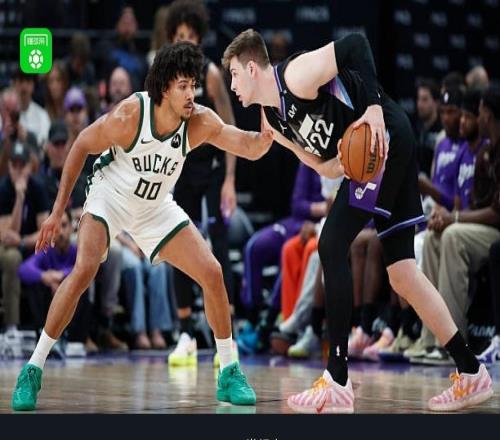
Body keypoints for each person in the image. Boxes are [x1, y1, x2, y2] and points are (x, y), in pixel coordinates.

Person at [223, 29, 493, 413]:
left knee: (331, 244)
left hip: (386, 137)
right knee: (403, 274)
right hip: (380, 151)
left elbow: (356, 44)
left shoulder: (296, 75)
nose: (232, 85)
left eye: (234, 74)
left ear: (252, 68)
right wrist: (338, 162)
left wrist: (373, 109)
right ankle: (471, 370)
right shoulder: (272, 119)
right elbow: (320, 164)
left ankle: (337, 379)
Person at [11, 42, 272, 411]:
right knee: (85, 268)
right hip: (110, 195)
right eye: (183, 86)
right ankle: (33, 369)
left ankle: (229, 372)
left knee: (212, 272)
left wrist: (266, 135)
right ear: (164, 87)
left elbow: (247, 145)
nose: (191, 94)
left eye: (193, 85)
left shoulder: (199, 121)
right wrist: (57, 211)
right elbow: (81, 144)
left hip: (154, 207)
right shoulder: (130, 115)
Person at [164, 0, 239, 367]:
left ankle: (227, 339)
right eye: (180, 36)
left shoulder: (209, 75)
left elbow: (229, 129)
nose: (186, 41)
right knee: (176, 248)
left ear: (200, 39)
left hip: (211, 171)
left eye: (191, 36)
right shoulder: (164, 79)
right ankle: (186, 334)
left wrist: (230, 180)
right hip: (178, 172)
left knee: (217, 248)